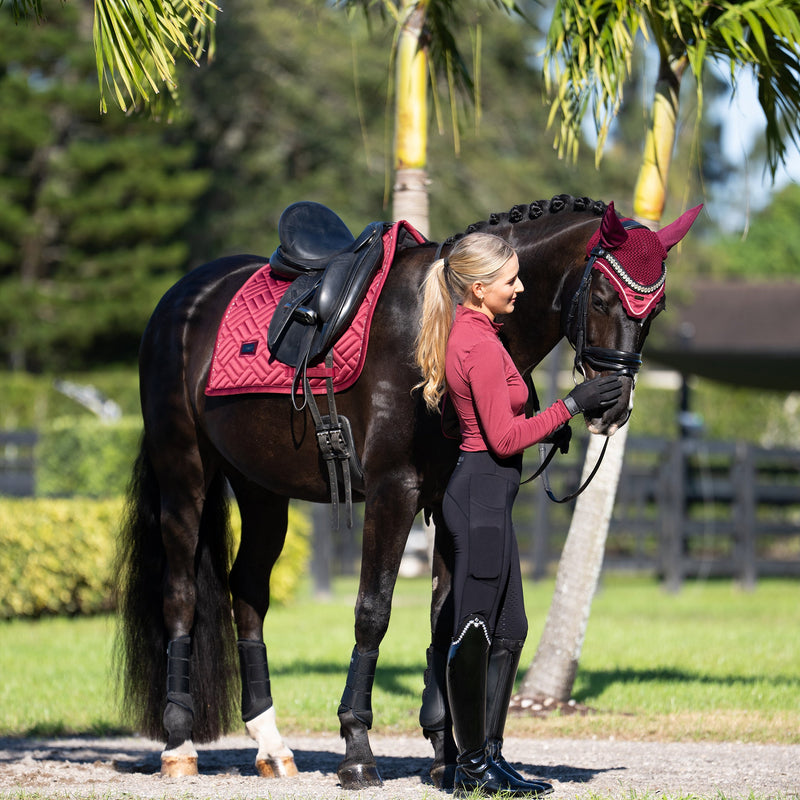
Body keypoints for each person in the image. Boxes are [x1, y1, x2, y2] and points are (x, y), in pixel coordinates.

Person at [414, 232, 623, 797]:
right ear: (480, 289)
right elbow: (503, 440)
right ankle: (471, 769)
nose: (521, 287)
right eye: (511, 280)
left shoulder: (483, 333)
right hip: (480, 495)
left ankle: (491, 757)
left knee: (510, 628)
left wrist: (551, 422)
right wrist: (572, 405)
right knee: (475, 630)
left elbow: (477, 424)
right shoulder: (477, 344)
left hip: (487, 495)